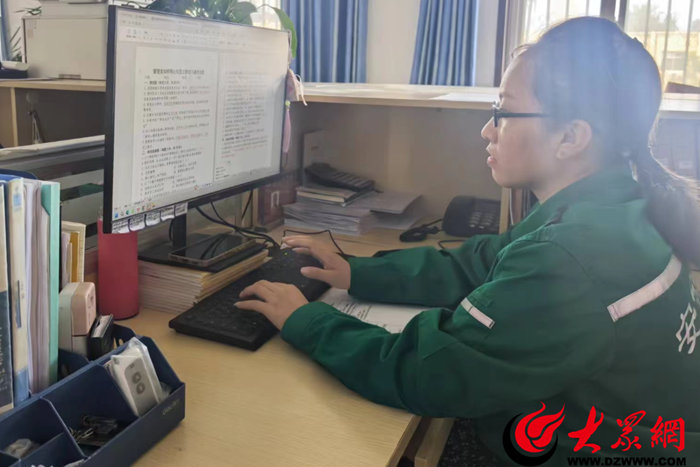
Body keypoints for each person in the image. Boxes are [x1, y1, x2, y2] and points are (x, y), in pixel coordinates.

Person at [237, 17, 700, 465]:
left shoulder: (570, 255)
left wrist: (307, 320)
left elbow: (429, 372)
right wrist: (357, 271)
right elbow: (482, 262)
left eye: (503, 113)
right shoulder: (613, 204)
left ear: (570, 137)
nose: (487, 129)